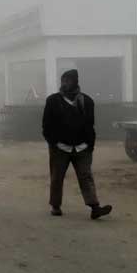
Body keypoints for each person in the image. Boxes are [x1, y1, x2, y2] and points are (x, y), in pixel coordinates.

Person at [42, 69, 113, 219]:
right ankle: (55, 206)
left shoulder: (87, 101)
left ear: (75, 82)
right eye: (63, 81)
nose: (65, 84)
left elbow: (90, 125)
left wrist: (90, 145)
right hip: (60, 148)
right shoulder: (53, 101)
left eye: (68, 80)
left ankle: (95, 207)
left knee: (86, 177)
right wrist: (54, 143)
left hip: (82, 148)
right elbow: (46, 127)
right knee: (57, 177)